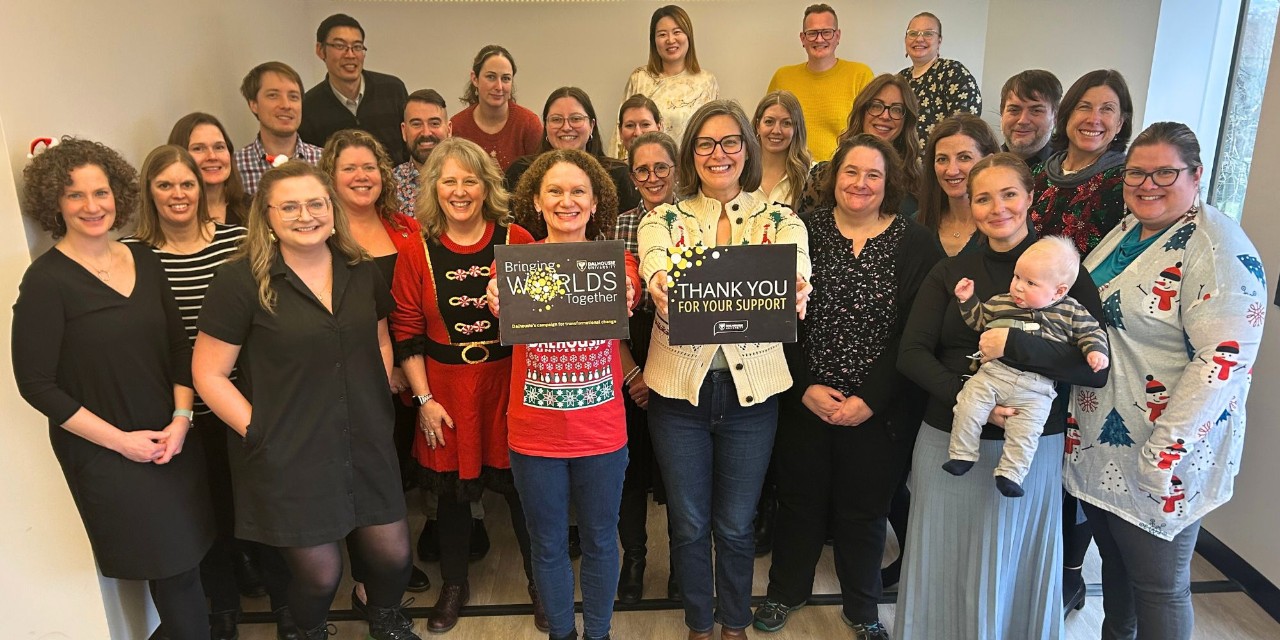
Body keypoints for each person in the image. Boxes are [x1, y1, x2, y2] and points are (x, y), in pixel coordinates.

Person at [193, 161, 419, 640]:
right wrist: (260, 432)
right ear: (268, 216)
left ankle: (385, 618)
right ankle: (307, 630)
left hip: (364, 439)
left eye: (316, 203)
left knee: (393, 557)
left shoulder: (360, 271)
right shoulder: (240, 282)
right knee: (320, 576)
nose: (305, 215)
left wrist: (375, 392)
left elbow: (381, 336)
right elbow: (208, 374)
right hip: (290, 450)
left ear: (332, 211)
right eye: (289, 206)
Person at [896, 152, 1108, 640]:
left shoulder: (1064, 273)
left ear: (1031, 197)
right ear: (969, 205)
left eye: (1009, 194)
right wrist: (976, 404)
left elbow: (1094, 370)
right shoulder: (952, 273)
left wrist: (1015, 345)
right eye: (983, 198)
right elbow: (912, 353)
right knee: (942, 562)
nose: (998, 208)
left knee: (1011, 565)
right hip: (950, 435)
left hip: (1030, 447)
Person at [1067, 122, 1265, 640]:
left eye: (1164, 173)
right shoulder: (1130, 228)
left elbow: (1224, 358)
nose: (1146, 183)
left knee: (1159, 587)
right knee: (1118, 571)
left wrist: (1166, 450)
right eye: (1136, 172)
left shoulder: (1216, 248)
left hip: (1161, 452)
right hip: (1104, 440)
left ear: (1196, 175)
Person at [13, 138, 215, 640]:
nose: (92, 206)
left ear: (118, 195)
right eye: (75, 195)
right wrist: (122, 442)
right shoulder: (46, 282)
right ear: (53, 204)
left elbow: (176, 348)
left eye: (100, 192)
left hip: (173, 440)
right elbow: (35, 384)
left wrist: (181, 421)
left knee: (190, 569)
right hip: (110, 454)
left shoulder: (143, 261)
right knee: (174, 573)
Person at [752, 134, 942, 639]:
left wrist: (870, 400)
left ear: (890, 183)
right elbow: (776, 318)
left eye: (873, 174)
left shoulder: (916, 241)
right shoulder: (802, 231)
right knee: (798, 500)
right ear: (833, 178)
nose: (860, 183)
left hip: (879, 406)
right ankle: (785, 593)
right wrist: (804, 387)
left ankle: (863, 608)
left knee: (865, 510)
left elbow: (914, 331)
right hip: (805, 397)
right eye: (850, 172)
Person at [638, 100, 812, 640]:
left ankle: (734, 623)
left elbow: (797, 278)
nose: (719, 154)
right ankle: (698, 623)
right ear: (692, 153)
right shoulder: (660, 218)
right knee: (688, 525)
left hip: (752, 396)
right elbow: (655, 268)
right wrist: (659, 284)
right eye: (706, 144)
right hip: (676, 395)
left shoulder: (783, 221)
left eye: (731, 142)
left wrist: (798, 294)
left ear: (748, 149)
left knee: (736, 527)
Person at [387, 136, 542, 633]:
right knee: (452, 497)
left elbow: (543, 315)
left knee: (524, 492)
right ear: (434, 187)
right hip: (446, 390)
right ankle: (454, 583)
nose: (459, 190)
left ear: (486, 186)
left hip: (510, 383)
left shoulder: (516, 241)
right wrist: (425, 400)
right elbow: (407, 329)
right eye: (448, 180)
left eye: (469, 180)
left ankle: (543, 583)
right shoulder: (416, 250)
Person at [486, 148, 642, 640]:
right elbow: (496, 301)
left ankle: (598, 633)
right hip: (535, 435)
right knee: (547, 544)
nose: (567, 200)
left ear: (596, 203)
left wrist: (630, 293)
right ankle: (561, 634)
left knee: (600, 540)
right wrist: (495, 298)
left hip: (601, 433)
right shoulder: (512, 268)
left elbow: (631, 290)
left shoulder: (619, 264)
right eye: (555, 190)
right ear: (536, 198)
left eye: (579, 191)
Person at [120, 145, 266, 640]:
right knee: (204, 516)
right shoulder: (135, 256)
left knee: (251, 504)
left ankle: (273, 593)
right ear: (149, 192)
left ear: (201, 188)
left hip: (240, 399)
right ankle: (222, 609)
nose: (178, 194)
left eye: (186, 184)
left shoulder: (239, 241)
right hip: (178, 410)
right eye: (165, 185)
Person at [318, 129, 434, 605]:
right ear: (330, 176)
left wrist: (406, 366)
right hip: (348, 381)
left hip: (407, 371)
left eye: (369, 167)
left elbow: (418, 302)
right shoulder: (320, 233)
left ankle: (392, 565)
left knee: (396, 473)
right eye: (349, 168)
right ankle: (367, 580)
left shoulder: (406, 227)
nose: (361, 177)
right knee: (359, 476)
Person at [946, 236, 1110, 497]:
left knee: (1027, 431)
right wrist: (968, 300)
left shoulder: (1071, 311)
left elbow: (1091, 333)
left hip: (1037, 387)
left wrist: (1095, 352)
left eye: (1030, 282)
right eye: (1017, 277)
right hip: (994, 374)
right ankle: (962, 453)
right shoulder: (1002, 302)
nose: (1018, 287)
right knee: (968, 403)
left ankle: (1011, 474)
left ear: (1058, 291)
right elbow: (979, 320)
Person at [611, 130, 680, 604]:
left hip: (680, 359)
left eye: (661, 167)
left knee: (678, 475)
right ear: (631, 175)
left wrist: (662, 372)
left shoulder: (693, 221)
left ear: (677, 170)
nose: (652, 177)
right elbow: (604, 308)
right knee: (629, 473)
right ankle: (633, 562)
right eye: (642, 169)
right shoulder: (617, 227)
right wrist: (633, 372)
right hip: (630, 356)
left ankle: (682, 567)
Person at [1030, 69, 1132, 256]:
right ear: (1066, 115)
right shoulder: (1035, 175)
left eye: (1107, 109)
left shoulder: (1129, 183)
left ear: (1120, 123)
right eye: (1084, 107)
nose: (1094, 119)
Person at [796, 74, 923, 217]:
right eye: (876, 106)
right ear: (862, 111)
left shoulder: (920, 181)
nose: (885, 116)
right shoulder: (821, 177)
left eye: (896, 109)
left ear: (907, 121)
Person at [505, 87, 640, 219]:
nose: (566, 127)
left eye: (576, 119)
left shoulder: (618, 175)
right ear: (545, 126)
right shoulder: (520, 173)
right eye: (556, 119)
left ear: (592, 125)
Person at [767, 3, 874, 161]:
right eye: (812, 33)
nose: (819, 39)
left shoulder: (860, 75)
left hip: (841, 172)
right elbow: (767, 128)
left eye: (826, 32)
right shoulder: (782, 77)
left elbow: (871, 134)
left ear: (837, 36)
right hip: (791, 171)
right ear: (803, 38)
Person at [300, 13, 410, 165]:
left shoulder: (393, 90)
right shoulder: (308, 106)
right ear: (320, 50)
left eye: (357, 47)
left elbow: (409, 145)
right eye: (340, 46)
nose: (350, 55)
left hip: (396, 186)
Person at [610, 4, 718, 158]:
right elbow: (620, 134)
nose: (670, 40)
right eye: (662, 34)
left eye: (677, 32)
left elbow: (712, 134)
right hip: (646, 172)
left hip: (691, 172)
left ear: (688, 36)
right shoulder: (639, 78)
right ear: (654, 41)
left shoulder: (706, 81)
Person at [233, 61, 324, 196]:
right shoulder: (235, 168)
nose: (286, 105)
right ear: (253, 104)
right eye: (273, 95)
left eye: (293, 97)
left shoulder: (325, 161)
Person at [916, 114, 1001, 257]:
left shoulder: (1005, 224)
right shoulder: (917, 224)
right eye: (942, 159)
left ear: (988, 161)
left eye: (964, 158)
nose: (952, 170)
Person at [449, 44, 542, 170]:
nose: (499, 86)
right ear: (475, 79)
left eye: (506, 78)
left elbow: (541, 176)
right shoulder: (458, 127)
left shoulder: (528, 124)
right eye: (491, 77)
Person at [898, 12, 982, 144]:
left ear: (939, 41)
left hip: (940, 161)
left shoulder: (953, 73)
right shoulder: (900, 79)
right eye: (913, 33)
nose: (919, 39)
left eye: (928, 33)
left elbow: (965, 127)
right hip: (900, 161)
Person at [168, 112, 250, 226]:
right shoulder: (169, 213)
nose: (212, 156)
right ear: (178, 155)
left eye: (219, 147)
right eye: (198, 149)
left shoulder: (255, 209)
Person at [393, 89, 452, 218]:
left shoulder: (471, 178)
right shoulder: (389, 185)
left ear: (449, 129)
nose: (426, 133)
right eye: (416, 124)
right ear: (404, 131)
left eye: (434, 123)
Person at [752, 90, 810, 211]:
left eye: (786, 123)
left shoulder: (811, 176)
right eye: (769, 122)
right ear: (758, 126)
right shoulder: (739, 171)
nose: (776, 130)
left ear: (796, 128)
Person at [999, 70, 1063, 169]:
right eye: (1014, 110)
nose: (1023, 120)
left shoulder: (1067, 170)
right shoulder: (984, 163)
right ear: (1002, 113)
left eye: (1036, 110)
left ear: (1055, 117)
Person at [615, 94, 664, 161]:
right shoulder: (611, 171)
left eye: (645, 124)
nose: (638, 133)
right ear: (620, 132)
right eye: (630, 125)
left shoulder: (677, 170)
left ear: (659, 128)